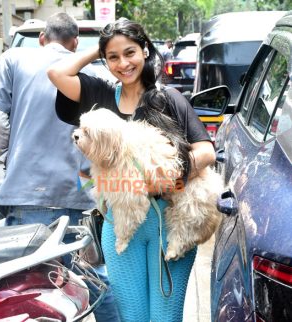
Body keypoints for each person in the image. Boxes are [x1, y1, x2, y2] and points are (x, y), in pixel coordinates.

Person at [47, 18, 216, 322]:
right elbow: (57, 73)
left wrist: (164, 182)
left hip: (170, 221)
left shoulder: (169, 99)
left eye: (130, 52)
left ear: (145, 51)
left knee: (164, 318)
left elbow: (205, 152)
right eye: (113, 56)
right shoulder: (98, 96)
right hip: (120, 227)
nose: (123, 63)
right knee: (133, 317)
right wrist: (97, 50)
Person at [0, 12, 120, 322]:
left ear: (43, 38)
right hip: (78, 192)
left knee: (31, 288)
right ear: (74, 44)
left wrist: (6, 157)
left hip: (27, 192)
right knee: (88, 279)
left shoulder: (13, 58)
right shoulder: (92, 75)